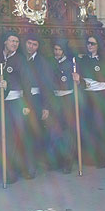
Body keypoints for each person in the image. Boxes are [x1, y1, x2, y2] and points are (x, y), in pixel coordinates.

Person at [72, 35, 105, 168]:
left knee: (100, 126)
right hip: (87, 96)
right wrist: (78, 79)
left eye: (92, 43)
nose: (89, 46)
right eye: (88, 43)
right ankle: (89, 156)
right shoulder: (83, 60)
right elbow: (79, 76)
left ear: (98, 45)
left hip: (101, 95)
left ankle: (101, 157)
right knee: (88, 126)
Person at [0, 30, 34, 181]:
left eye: (17, 42)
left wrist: (27, 103)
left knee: (18, 137)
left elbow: (27, 82)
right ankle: (5, 170)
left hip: (17, 101)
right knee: (3, 137)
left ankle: (22, 169)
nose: (14, 44)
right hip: (0, 102)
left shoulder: (20, 60)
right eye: (12, 41)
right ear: (5, 41)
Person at [44, 39, 77, 173]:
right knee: (54, 131)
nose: (57, 52)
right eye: (56, 49)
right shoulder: (51, 62)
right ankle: (55, 161)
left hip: (67, 98)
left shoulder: (70, 64)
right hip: (55, 99)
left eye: (60, 49)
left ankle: (67, 162)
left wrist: (76, 79)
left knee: (67, 133)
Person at [23, 33, 54, 173]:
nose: (31, 46)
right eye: (29, 43)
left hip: (35, 100)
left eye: (34, 44)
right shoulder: (19, 59)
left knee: (33, 133)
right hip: (20, 99)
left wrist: (45, 107)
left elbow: (47, 85)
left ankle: (32, 166)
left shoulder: (42, 62)